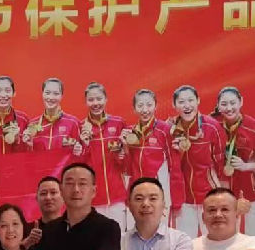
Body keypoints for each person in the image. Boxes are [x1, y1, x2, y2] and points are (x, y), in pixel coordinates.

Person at [212, 87, 255, 237]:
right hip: (223, 192)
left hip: (252, 193)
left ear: (241, 102)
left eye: (233, 103)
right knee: (225, 238)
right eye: (224, 104)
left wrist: (246, 166)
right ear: (218, 105)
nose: (229, 108)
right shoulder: (212, 125)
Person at [168, 85, 226, 238]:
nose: (187, 106)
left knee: (214, 240)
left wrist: (222, 195)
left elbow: (221, 164)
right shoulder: (169, 129)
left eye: (190, 100)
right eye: (181, 102)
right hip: (182, 199)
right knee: (185, 242)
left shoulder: (212, 127)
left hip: (209, 195)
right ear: (174, 105)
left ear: (198, 101)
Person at [122, 89, 185, 220]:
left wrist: (177, 202)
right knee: (135, 231)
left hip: (158, 195)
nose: (145, 110)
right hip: (136, 195)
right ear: (134, 108)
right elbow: (127, 169)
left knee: (159, 231)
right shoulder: (130, 133)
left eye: (149, 105)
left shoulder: (165, 130)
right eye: (140, 105)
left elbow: (175, 167)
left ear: (156, 106)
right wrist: (125, 148)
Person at [78, 82, 128, 230]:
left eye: (99, 99)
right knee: (95, 240)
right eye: (91, 100)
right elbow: (78, 165)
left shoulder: (119, 123)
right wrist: (84, 143)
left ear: (106, 99)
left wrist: (123, 152)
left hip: (117, 197)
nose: (95, 103)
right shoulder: (81, 127)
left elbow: (126, 163)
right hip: (93, 199)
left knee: (119, 238)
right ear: (86, 102)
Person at [22, 78, 84, 157]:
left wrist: (79, 151)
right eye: (47, 93)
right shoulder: (33, 124)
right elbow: (28, 158)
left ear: (61, 96)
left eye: (56, 94)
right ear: (42, 94)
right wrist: (28, 146)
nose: (51, 98)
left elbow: (81, 155)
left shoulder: (73, 123)